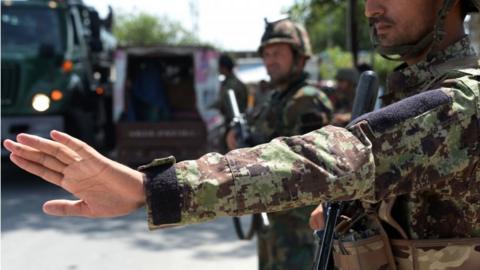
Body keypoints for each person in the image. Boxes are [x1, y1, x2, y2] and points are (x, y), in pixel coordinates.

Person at [4, 0, 480, 268]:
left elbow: (342, 154)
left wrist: (154, 189)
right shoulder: (402, 91)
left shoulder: (466, 97)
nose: (372, 7)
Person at [226, 18, 333, 270]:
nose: (270, 60)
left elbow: (310, 167)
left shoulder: (307, 101)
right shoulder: (274, 100)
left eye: (278, 53)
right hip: (273, 225)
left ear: (299, 57)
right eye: (266, 54)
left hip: (299, 229)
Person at [213, 53, 248, 126]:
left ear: (224, 68)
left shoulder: (231, 85)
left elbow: (224, 104)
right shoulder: (234, 83)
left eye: (219, 67)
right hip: (234, 121)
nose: (218, 69)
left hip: (233, 123)